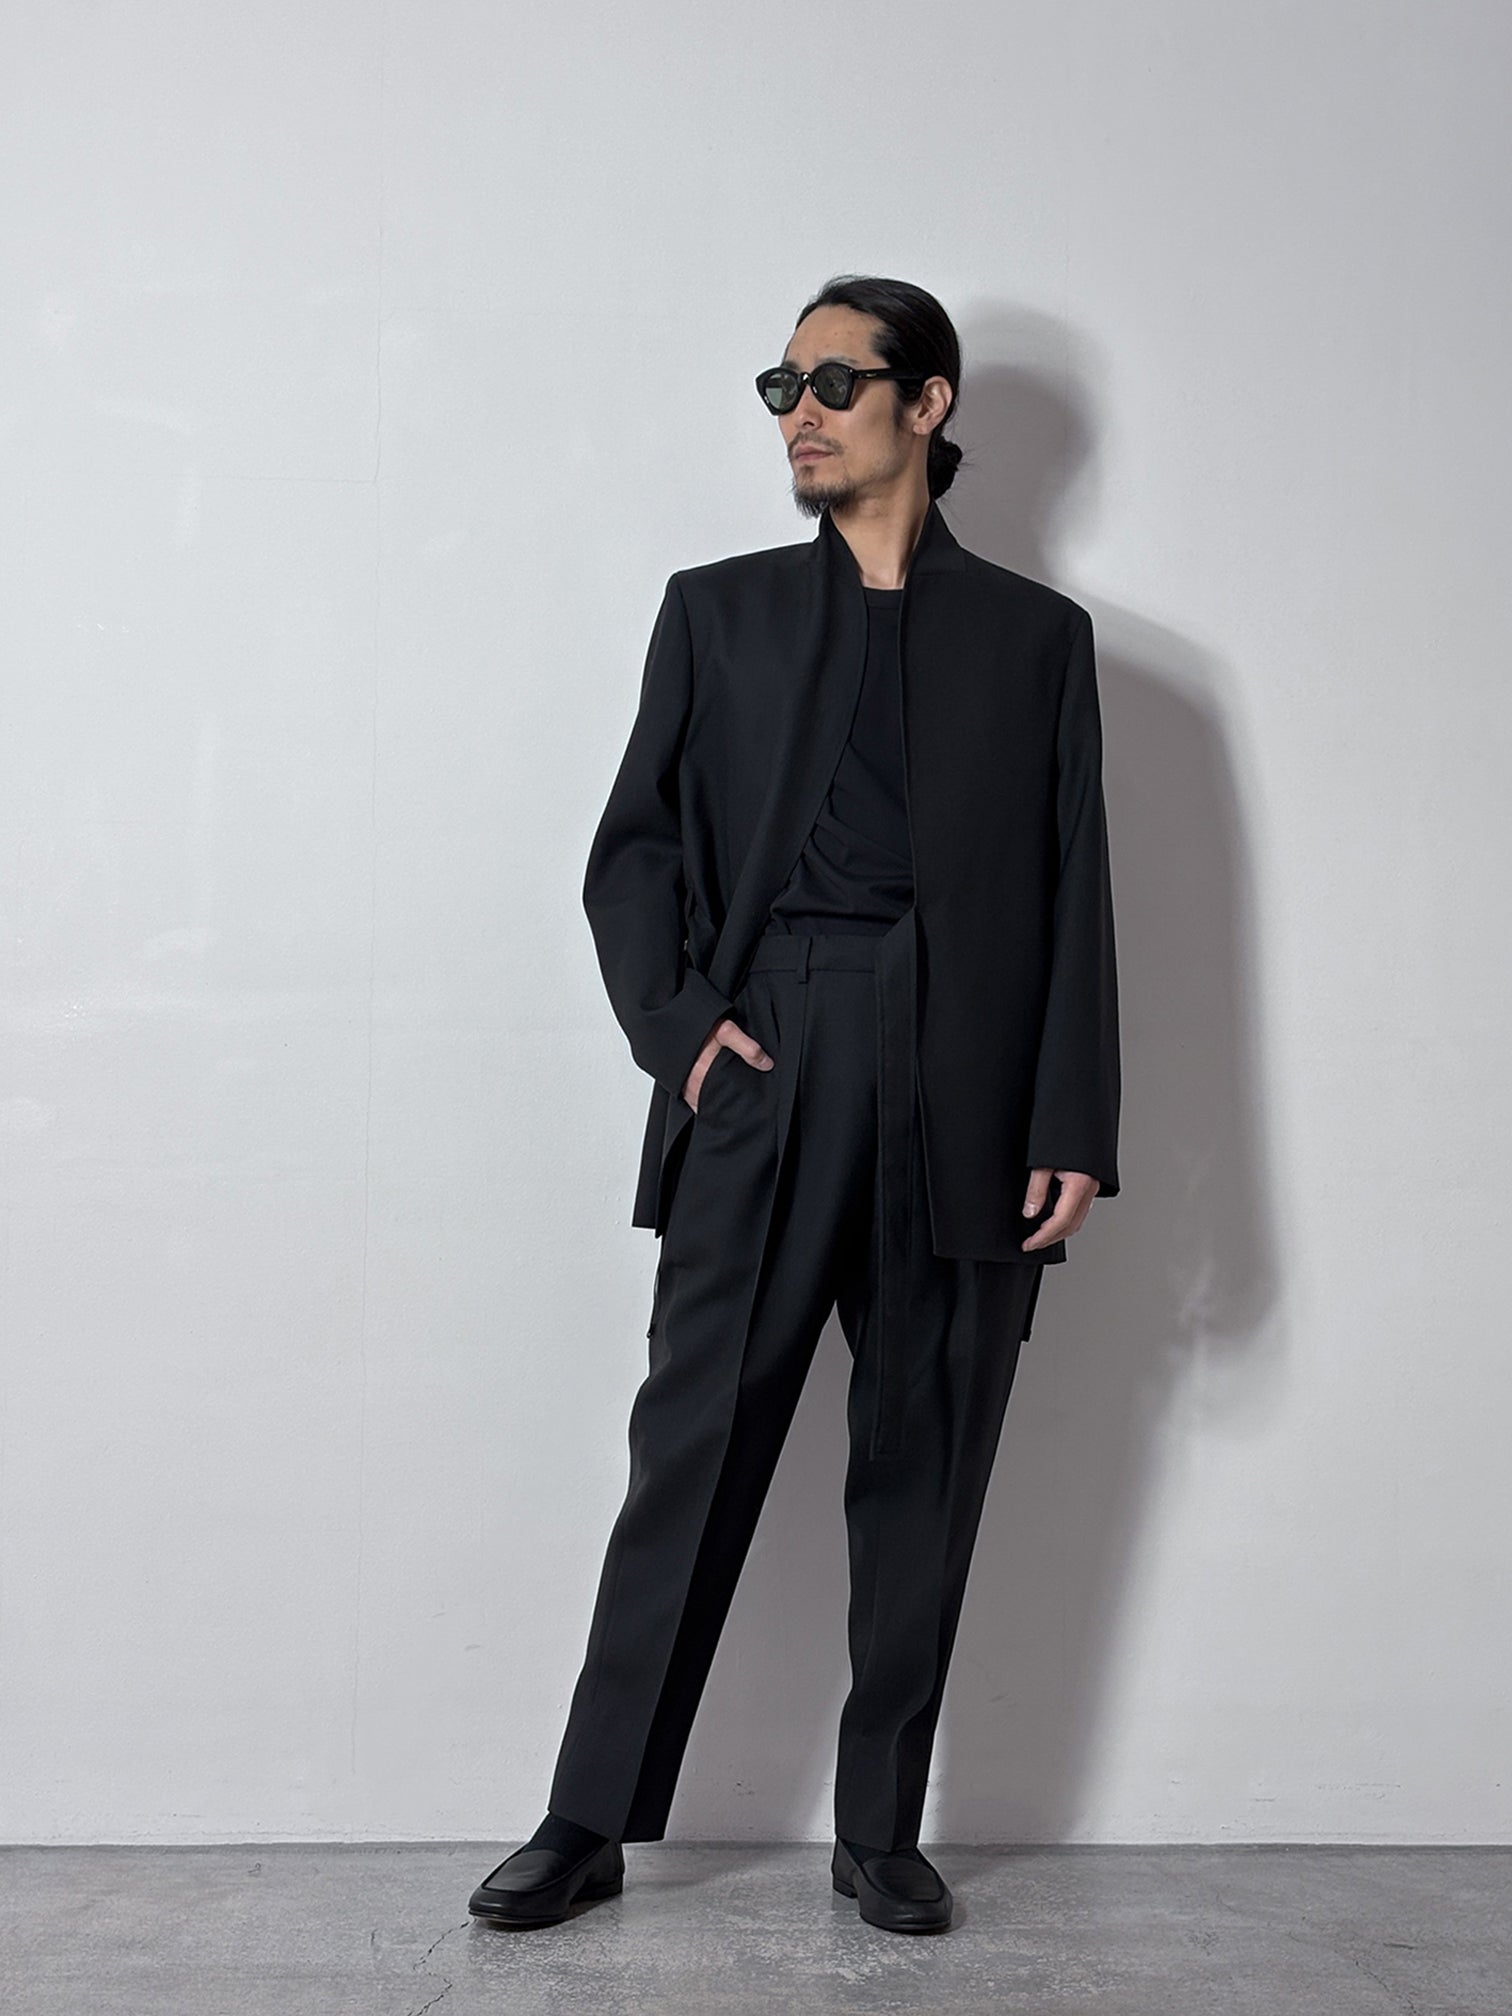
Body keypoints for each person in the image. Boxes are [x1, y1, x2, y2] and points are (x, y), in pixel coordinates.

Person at [468, 274, 1121, 1936]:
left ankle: (880, 1830)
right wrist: (683, 1033)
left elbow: (1076, 891)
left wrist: (1070, 1123)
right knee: (690, 1450)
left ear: (929, 402)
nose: (800, 413)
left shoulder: (1037, 641)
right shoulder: (719, 613)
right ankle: (588, 1819)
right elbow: (634, 855)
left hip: (964, 1088)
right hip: (764, 1064)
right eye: (782, 387)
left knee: (925, 1466)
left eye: (833, 382)